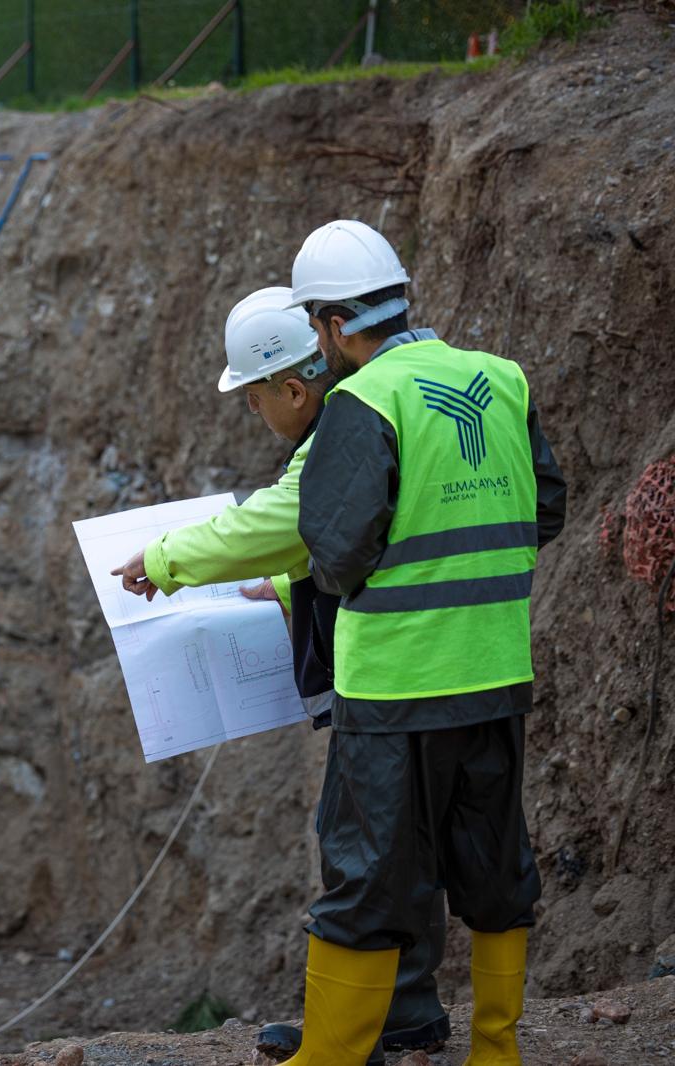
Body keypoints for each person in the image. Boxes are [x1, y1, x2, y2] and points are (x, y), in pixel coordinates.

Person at [109, 287, 452, 1064]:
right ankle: (403, 1009)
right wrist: (296, 587)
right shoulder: (383, 410)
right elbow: (371, 544)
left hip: (389, 676)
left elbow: (277, 520)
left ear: (294, 389)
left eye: (254, 397)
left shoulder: (342, 431)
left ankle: (352, 1033)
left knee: (359, 847)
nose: (252, 411)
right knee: (403, 843)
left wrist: (163, 559)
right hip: (430, 665)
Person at [279, 219, 567, 1066]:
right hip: (494, 673)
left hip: (395, 689)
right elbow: (546, 506)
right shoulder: (501, 378)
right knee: (494, 863)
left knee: (368, 877)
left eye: (318, 329)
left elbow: (337, 551)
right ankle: (496, 1051)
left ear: (335, 325)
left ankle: (329, 1058)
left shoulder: (363, 400)